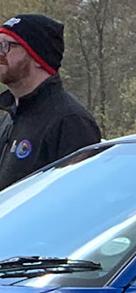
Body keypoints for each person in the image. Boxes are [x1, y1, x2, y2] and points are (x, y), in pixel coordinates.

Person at [0, 14, 100, 190]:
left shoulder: (70, 121)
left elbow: (81, 194)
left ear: (37, 57)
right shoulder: (10, 115)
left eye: (5, 46)